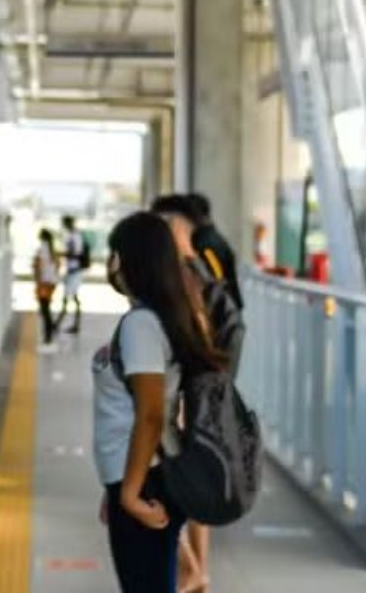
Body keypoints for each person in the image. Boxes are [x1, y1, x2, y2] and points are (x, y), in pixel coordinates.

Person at [93, 212, 228, 592]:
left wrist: (131, 494)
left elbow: (151, 415)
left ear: (132, 259)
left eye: (114, 254)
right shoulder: (151, 320)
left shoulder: (142, 326)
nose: (111, 264)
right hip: (140, 476)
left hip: (146, 480)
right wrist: (116, 489)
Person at [186, 193, 241, 311]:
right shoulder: (213, 237)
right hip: (227, 306)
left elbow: (218, 276)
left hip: (221, 311)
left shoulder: (206, 243)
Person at [33, 228, 61, 352]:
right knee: (46, 308)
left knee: (45, 310)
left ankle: (48, 335)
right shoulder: (53, 250)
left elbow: (38, 268)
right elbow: (57, 266)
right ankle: (49, 334)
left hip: (43, 283)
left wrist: (38, 281)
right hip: (51, 283)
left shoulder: (41, 250)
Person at [60, 216, 88, 335]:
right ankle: (67, 323)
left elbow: (76, 253)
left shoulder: (75, 236)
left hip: (74, 270)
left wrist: (65, 254)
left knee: (70, 298)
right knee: (70, 297)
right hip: (72, 270)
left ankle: (69, 323)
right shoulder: (72, 235)